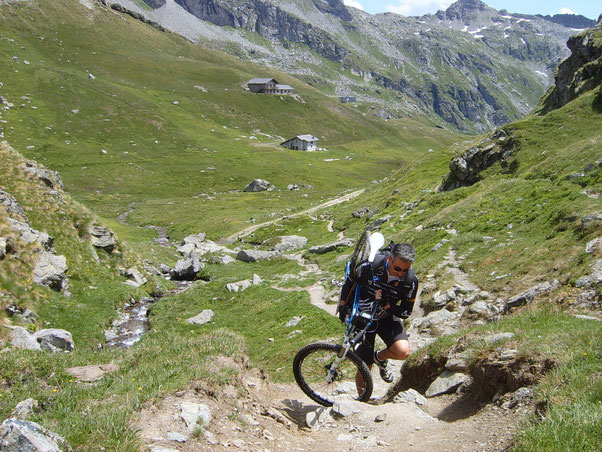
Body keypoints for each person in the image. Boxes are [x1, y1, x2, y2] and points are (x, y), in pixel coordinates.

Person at [337, 242, 418, 383]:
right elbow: (350, 281)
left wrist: (388, 306)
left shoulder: (410, 280)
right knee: (364, 366)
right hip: (362, 316)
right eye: (398, 268)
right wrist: (343, 306)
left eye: (405, 270)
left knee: (403, 352)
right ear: (389, 259)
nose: (400, 273)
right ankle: (364, 400)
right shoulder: (370, 265)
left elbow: (406, 312)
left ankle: (379, 358)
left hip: (386, 316)